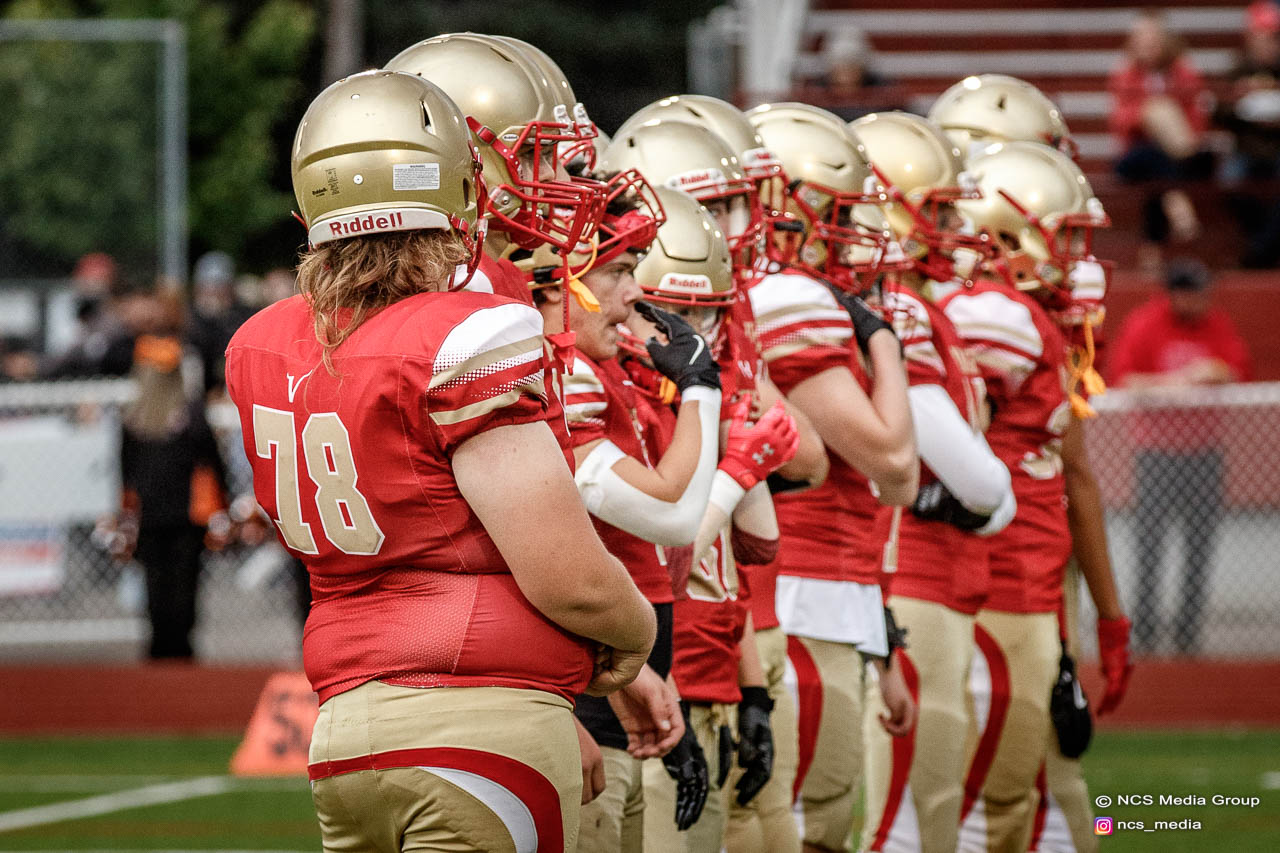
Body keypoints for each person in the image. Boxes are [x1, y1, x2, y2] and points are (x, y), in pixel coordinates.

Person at [225, 70, 658, 852]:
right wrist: (633, 638)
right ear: (457, 188)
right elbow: (573, 580)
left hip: (344, 732)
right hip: (478, 724)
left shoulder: (261, 343)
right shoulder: (466, 335)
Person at [745, 103, 919, 853]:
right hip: (801, 591)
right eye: (840, 213)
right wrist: (884, 344)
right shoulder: (789, 298)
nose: (857, 231)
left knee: (822, 819)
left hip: (832, 593)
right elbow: (895, 464)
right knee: (797, 822)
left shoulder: (804, 296)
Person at [850, 112, 1016, 853]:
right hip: (911, 576)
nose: (957, 229)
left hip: (931, 578)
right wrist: (992, 495)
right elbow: (983, 485)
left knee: (932, 804)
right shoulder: (901, 312)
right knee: (907, 816)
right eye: (942, 212)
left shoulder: (923, 309)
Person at [1107, 259, 1252, 654]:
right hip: (1156, 452)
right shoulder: (1144, 324)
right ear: (1176, 294)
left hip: (1204, 452)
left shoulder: (1216, 323)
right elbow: (1124, 379)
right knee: (1150, 541)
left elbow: (1237, 368)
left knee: (1200, 543)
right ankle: (1146, 629)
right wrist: (1171, 385)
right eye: (1194, 294)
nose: (1202, 301)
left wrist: (1212, 371)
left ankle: (1188, 631)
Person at [120, 288, 226, 660]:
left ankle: (158, 643)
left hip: (149, 509)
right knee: (184, 577)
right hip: (187, 510)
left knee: (154, 577)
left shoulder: (133, 421)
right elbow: (212, 459)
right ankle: (181, 645)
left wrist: (126, 509)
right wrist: (224, 502)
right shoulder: (191, 417)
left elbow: (125, 472)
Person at [1108, 9, 1214, 267]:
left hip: (1179, 154)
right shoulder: (1125, 75)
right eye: (1141, 37)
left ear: (1165, 39)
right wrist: (1147, 116)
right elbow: (1120, 123)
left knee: (1160, 172)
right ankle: (1178, 206)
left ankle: (1152, 252)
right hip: (1138, 154)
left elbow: (1198, 121)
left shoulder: (1184, 73)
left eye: (1152, 37)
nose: (1147, 43)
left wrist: (1166, 119)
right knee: (1153, 156)